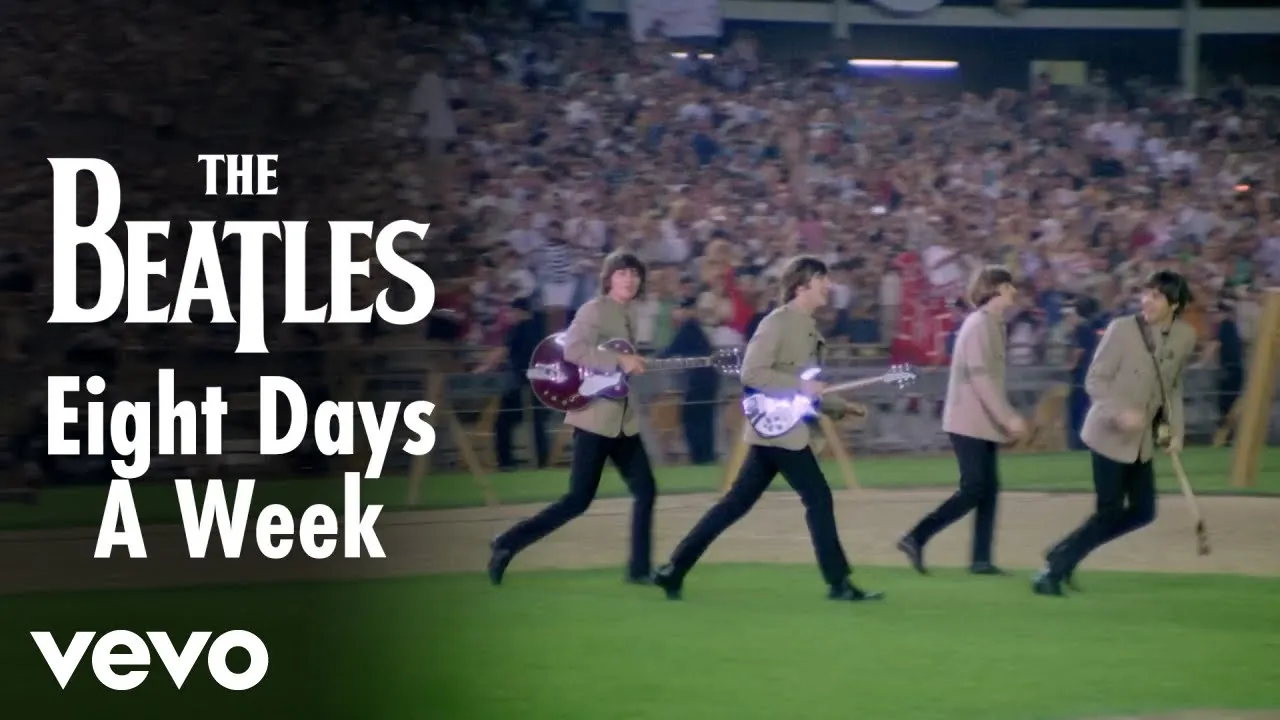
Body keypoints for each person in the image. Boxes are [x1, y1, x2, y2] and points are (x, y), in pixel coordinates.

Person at [653, 255, 882, 602]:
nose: (829, 285)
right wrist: (800, 386)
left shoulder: (808, 328)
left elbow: (808, 390)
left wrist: (840, 407)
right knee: (818, 498)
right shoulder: (777, 323)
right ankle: (839, 583)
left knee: (735, 504)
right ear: (802, 285)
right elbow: (752, 373)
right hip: (781, 431)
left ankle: (674, 569)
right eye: (822, 279)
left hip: (779, 429)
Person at [488, 251, 658, 586]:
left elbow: (617, 362)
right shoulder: (593, 310)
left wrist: (631, 365)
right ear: (609, 278)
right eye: (622, 273)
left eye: (634, 274)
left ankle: (639, 570)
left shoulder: (630, 313)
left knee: (646, 490)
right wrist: (620, 361)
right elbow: (573, 351)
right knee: (577, 500)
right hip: (594, 420)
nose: (629, 279)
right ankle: (507, 542)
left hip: (622, 421)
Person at [1034, 271, 1197, 596]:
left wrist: (1174, 431)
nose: (1146, 301)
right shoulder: (1122, 329)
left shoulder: (1185, 337)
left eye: (1156, 296)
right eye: (1146, 293)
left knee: (1143, 511)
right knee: (1109, 512)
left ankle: (1062, 552)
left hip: (1141, 441)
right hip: (1107, 435)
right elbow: (1094, 380)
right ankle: (1052, 573)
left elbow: (1171, 388)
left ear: (1175, 304)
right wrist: (1119, 414)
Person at [897, 266, 1027, 576]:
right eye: (1009, 286)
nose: (1014, 291)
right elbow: (981, 379)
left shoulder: (992, 323)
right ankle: (916, 537)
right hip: (968, 420)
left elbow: (991, 380)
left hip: (981, 421)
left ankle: (981, 559)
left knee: (987, 490)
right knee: (974, 488)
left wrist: (1003, 417)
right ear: (996, 288)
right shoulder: (980, 324)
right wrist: (1008, 417)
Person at [473, 297, 550, 471]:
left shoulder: (518, 329)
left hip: (519, 382)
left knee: (503, 422)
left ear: (520, 311)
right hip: (538, 383)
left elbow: (502, 351)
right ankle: (542, 460)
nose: (509, 315)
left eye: (512, 311)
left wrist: (481, 369)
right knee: (537, 423)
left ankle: (506, 461)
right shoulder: (540, 329)